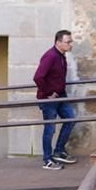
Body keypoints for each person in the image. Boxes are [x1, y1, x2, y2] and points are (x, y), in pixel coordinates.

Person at [34, 29, 76, 169]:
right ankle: (47, 160)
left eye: (71, 41)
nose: (71, 44)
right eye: (68, 42)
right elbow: (38, 77)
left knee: (70, 119)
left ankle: (58, 151)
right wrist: (48, 93)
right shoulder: (50, 56)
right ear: (58, 42)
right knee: (50, 128)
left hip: (60, 96)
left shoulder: (61, 56)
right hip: (49, 99)